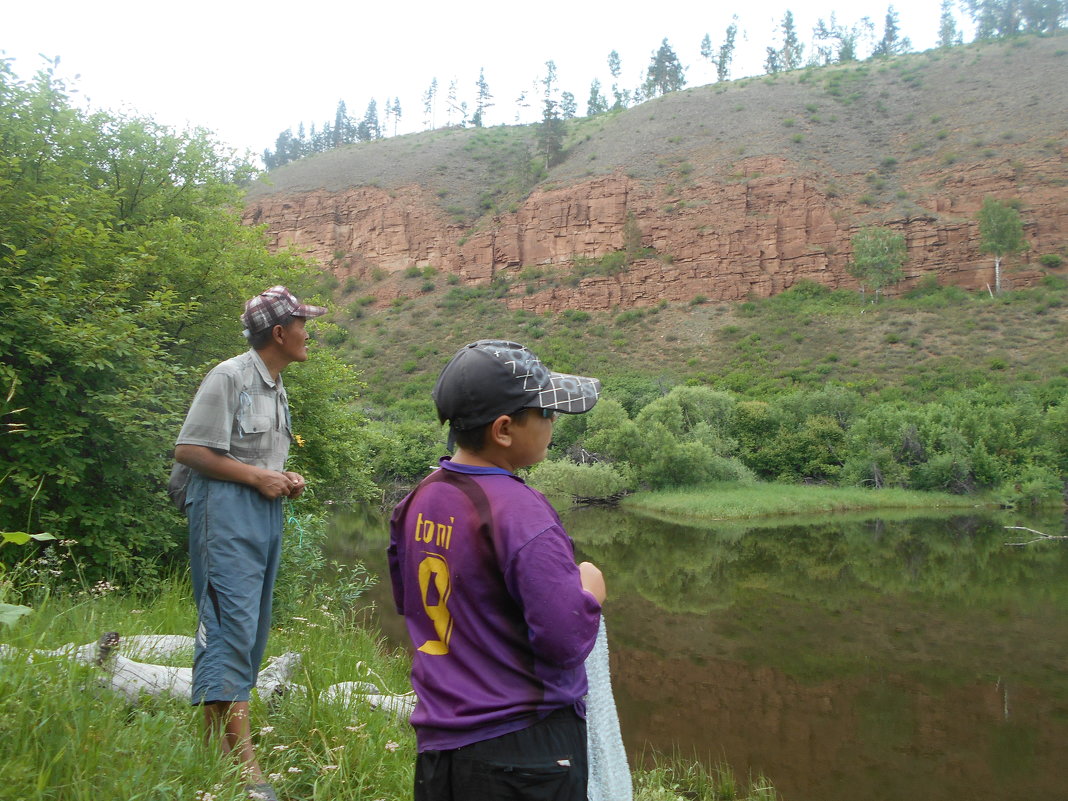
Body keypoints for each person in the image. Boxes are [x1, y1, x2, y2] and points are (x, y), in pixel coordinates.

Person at [388, 339, 607, 801]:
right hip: (525, 751)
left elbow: (410, 601)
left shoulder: (418, 499)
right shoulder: (521, 513)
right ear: (504, 429)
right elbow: (563, 640)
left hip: (441, 746)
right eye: (546, 412)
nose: (553, 422)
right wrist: (590, 590)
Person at [174, 286, 325, 801]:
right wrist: (258, 479)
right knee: (230, 622)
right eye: (304, 324)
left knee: (253, 626)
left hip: (262, 511)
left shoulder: (276, 385)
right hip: (224, 510)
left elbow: (257, 458)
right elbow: (190, 449)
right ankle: (245, 768)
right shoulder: (230, 375)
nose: (310, 333)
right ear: (280, 333)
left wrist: (282, 478)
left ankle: (214, 747)